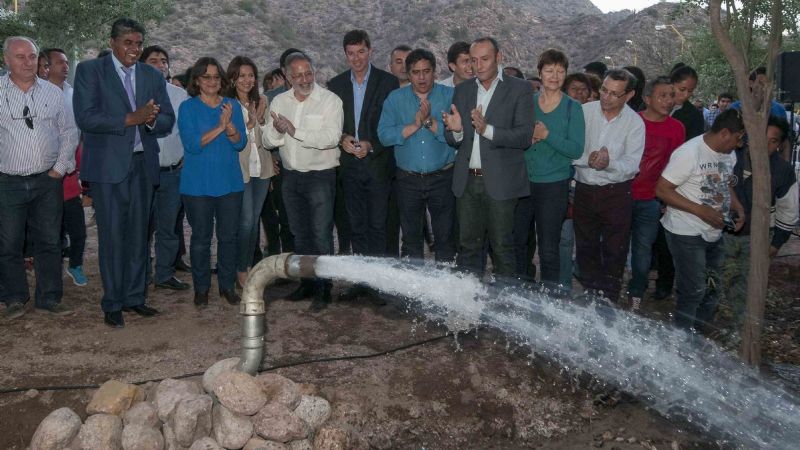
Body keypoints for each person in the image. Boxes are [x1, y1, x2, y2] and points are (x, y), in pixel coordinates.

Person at [73, 18, 175, 328]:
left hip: (143, 165)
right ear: (113, 42)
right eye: (128, 43)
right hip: (107, 169)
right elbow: (86, 117)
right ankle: (112, 302)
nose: (134, 49)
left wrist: (150, 121)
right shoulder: (91, 71)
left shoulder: (150, 75)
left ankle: (134, 298)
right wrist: (131, 117)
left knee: (138, 236)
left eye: (139, 43)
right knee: (112, 237)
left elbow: (167, 118)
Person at [442, 37, 535, 277]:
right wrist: (456, 130)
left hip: (502, 182)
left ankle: (504, 305)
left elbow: (524, 136)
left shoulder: (520, 89)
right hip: (467, 182)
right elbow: (454, 140)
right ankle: (469, 300)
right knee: (468, 246)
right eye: (474, 60)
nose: (478, 66)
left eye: (485, 59)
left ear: (499, 58)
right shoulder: (462, 91)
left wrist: (487, 130)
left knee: (503, 247)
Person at [0, 36, 79, 320]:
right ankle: (14, 298)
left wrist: (59, 168)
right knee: (8, 243)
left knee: (49, 241)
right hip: (7, 181)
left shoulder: (53, 93)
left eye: (32, 56)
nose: (27, 62)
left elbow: (70, 132)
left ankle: (49, 298)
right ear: (6, 60)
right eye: (19, 57)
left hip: (48, 181)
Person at [262, 52, 343, 311]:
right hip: (291, 177)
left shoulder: (330, 100)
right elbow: (267, 141)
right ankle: (307, 283)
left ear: (314, 71)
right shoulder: (278, 102)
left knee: (321, 235)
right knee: (300, 234)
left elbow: (330, 137)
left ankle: (324, 289)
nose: (305, 79)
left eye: (308, 73)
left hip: (320, 176)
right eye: (297, 75)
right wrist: (277, 129)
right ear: (287, 76)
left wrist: (294, 131)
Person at [656, 108, 746, 333]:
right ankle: (682, 339)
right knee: (693, 289)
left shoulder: (729, 154)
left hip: (714, 231)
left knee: (712, 287)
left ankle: (699, 334)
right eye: (738, 138)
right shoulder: (689, 153)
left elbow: (725, 183)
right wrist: (700, 210)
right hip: (685, 230)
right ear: (725, 133)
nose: (739, 144)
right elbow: (662, 189)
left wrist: (737, 206)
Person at [327, 30, 399, 276]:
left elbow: (393, 123)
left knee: (378, 225)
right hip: (349, 167)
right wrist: (341, 138)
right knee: (355, 226)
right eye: (351, 53)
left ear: (370, 51)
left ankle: (379, 282)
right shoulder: (335, 85)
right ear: (345, 55)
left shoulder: (388, 82)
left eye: (361, 51)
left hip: (378, 164)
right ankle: (362, 280)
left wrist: (372, 144)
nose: (356, 58)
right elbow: (330, 125)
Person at [178, 57, 247, 307]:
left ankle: (227, 286)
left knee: (228, 237)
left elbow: (240, 143)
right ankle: (202, 288)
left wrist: (229, 128)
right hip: (197, 186)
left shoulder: (232, 105)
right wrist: (221, 126)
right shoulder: (187, 108)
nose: (212, 81)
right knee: (201, 238)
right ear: (197, 80)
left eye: (216, 77)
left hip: (229, 184)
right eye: (206, 77)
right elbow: (193, 145)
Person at [513, 49, 584, 285]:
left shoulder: (573, 108)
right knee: (519, 241)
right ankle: (523, 288)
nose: (554, 76)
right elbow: (515, 139)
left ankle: (550, 298)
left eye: (560, 71)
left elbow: (575, 149)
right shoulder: (527, 103)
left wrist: (546, 135)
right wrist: (527, 141)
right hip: (523, 183)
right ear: (540, 73)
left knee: (548, 247)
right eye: (549, 70)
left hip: (554, 185)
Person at [573, 69, 645, 302]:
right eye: (604, 90)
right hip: (584, 190)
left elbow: (632, 165)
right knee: (585, 246)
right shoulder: (584, 112)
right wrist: (589, 160)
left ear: (629, 95)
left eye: (615, 94)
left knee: (615, 249)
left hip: (616, 194)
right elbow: (571, 151)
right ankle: (589, 293)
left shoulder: (635, 123)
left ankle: (609, 299)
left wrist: (608, 163)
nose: (607, 97)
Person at [378, 48, 456, 262]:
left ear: (435, 71)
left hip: (443, 177)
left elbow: (457, 135)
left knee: (445, 238)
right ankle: (414, 293)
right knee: (411, 241)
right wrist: (414, 125)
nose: (421, 77)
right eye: (415, 72)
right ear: (408, 73)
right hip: (407, 180)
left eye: (426, 71)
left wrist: (429, 122)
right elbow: (384, 135)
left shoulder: (449, 96)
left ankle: (443, 292)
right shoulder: (395, 99)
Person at [722, 116, 798, 327]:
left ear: (779, 145)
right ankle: (711, 325)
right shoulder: (730, 157)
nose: (765, 144)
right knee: (718, 280)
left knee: (747, 286)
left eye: (773, 141)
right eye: (761, 137)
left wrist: (776, 243)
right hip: (723, 233)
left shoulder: (783, 171)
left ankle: (741, 330)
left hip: (756, 238)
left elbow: (788, 210)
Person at [626, 77, 685, 311]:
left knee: (643, 249)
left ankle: (636, 291)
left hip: (650, 199)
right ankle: (603, 288)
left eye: (671, 95)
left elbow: (676, 165)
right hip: (620, 195)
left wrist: (667, 198)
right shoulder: (632, 122)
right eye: (663, 95)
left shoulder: (676, 128)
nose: (669, 100)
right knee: (612, 246)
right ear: (647, 98)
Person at [139, 45, 191, 291]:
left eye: (164, 61)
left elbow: (188, 134)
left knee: (168, 228)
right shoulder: (133, 94)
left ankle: (164, 274)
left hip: (172, 173)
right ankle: (141, 275)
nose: (160, 65)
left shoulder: (179, 96)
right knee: (141, 229)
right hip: (143, 173)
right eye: (153, 60)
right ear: (141, 64)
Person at [652, 63, 705, 301]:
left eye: (689, 92)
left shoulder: (692, 116)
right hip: (647, 180)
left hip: (674, 182)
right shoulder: (651, 108)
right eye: (681, 89)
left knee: (667, 237)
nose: (684, 96)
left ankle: (666, 281)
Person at [226, 56, 275, 289]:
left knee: (254, 221)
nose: (247, 80)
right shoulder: (228, 104)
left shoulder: (262, 100)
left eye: (251, 75)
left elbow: (269, 139)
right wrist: (249, 124)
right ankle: (240, 269)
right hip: (240, 170)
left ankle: (248, 265)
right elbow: (231, 139)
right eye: (242, 75)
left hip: (262, 168)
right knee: (245, 222)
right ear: (233, 78)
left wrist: (262, 119)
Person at [45, 47, 87, 287]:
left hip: (70, 173)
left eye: (66, 62)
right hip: (47, 175)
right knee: (53, 232)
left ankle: (76, 264)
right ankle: (51, 273)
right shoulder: (38, 94)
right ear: (46, 67)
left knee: (78, 230)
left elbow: (77, 134)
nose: (65, 66)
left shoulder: (73, 93)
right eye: (59, 62)